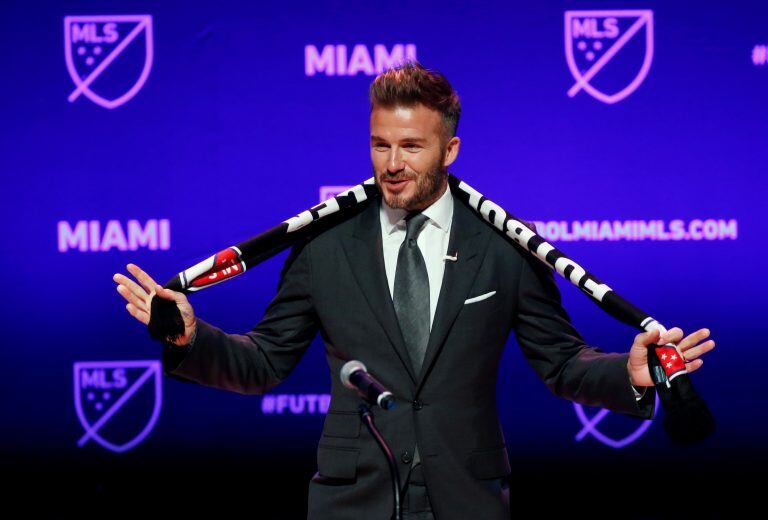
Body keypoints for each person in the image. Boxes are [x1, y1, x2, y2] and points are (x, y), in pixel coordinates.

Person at [113, 61, 716, 520]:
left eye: (411, 146)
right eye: (381, 144)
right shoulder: (325, 244)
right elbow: (265, 361)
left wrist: (631, 375)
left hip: (467, 498)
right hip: (353, 502)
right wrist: (192, 338)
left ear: (449, 150)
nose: (392, 163)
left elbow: (560, 362)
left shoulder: (505, 247)